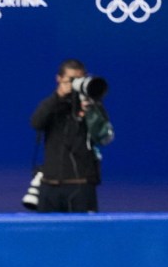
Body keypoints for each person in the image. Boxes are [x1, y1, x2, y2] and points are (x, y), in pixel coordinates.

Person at [30, 59, 114, 213]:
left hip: (81, 185)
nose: (75, 84)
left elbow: (104, 137)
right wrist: (58, 96)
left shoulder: (93, 106)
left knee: (83, 235)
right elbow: (36, 123)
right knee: (47, 235)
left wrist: (90, 112)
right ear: (59, 79)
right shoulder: (52, 105)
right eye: (71, 80)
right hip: (50, 185)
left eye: (80, 79)